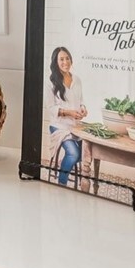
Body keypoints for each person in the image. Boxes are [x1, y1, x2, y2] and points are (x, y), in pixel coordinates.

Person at [47, 46, 88, 189]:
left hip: (75, 126)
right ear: (56, 62)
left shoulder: (77, 80)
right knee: (73, 154)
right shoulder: (51, 82)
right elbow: (51, 108)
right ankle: (62, 183)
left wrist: (83, 109)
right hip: (59, 127)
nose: (65, 62)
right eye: (61, 59)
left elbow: (81, 101)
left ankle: (66, 170)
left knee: (86, 153)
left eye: (67, 58)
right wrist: (69, 112)